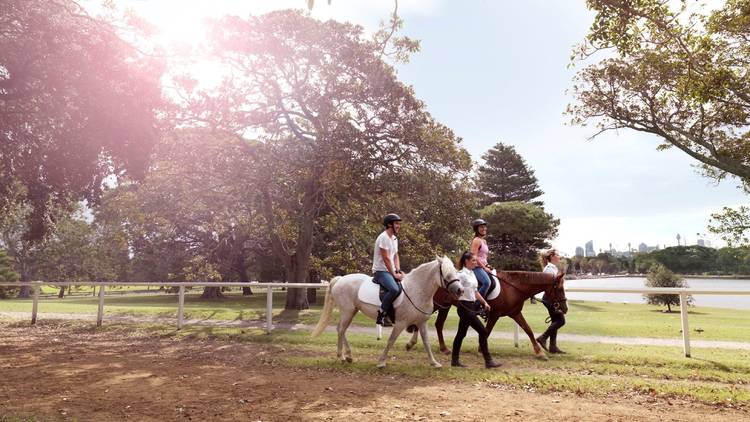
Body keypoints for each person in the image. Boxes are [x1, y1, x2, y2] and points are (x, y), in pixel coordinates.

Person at [451, 251, 502, 369]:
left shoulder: (472, 273)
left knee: (461, 333)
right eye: (473, 260)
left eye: (475, 260)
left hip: (471, 306)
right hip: (464, 307)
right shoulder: (461, 274)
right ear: (466, 261)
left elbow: (475, 291)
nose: (475, 262)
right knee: (483, 331)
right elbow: (453, 290)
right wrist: (459, 296)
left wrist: (484, 302)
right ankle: (488, 361)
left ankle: (454, 360)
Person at [372, 213, 403, 327]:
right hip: (380, 271)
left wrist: (398, 269)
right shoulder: (383, 237)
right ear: (389, 224)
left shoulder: (394, 238)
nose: (398, 226)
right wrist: (394, 274)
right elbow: (386, 258)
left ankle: (392, 314)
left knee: (401, 288)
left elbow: (395, 256)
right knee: (394, 289)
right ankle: (381, 314)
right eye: (396, 223)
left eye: (399, 224)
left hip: (390, 270)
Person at [536, 249, 566, 354]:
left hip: (552, 299)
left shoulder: (553, 268)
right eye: (557, 255)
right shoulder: (549, 269)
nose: (559, 257)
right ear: (552, 256)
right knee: (561, 321)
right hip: (550, 299)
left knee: (555, 321)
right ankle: (543, 337)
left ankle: (553, 347)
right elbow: (550, 287)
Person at [469, 219, 493, 299]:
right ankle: (476, 305)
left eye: (484, 227)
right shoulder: (476, 240)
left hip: (482, 266)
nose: (484, 229)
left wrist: (487, 265)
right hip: (476, 267)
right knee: (487, 282)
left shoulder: (484, 241)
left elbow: (483, 257)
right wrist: (484, 268)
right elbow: (474, 256)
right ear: (476, 229)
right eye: (481, 227)